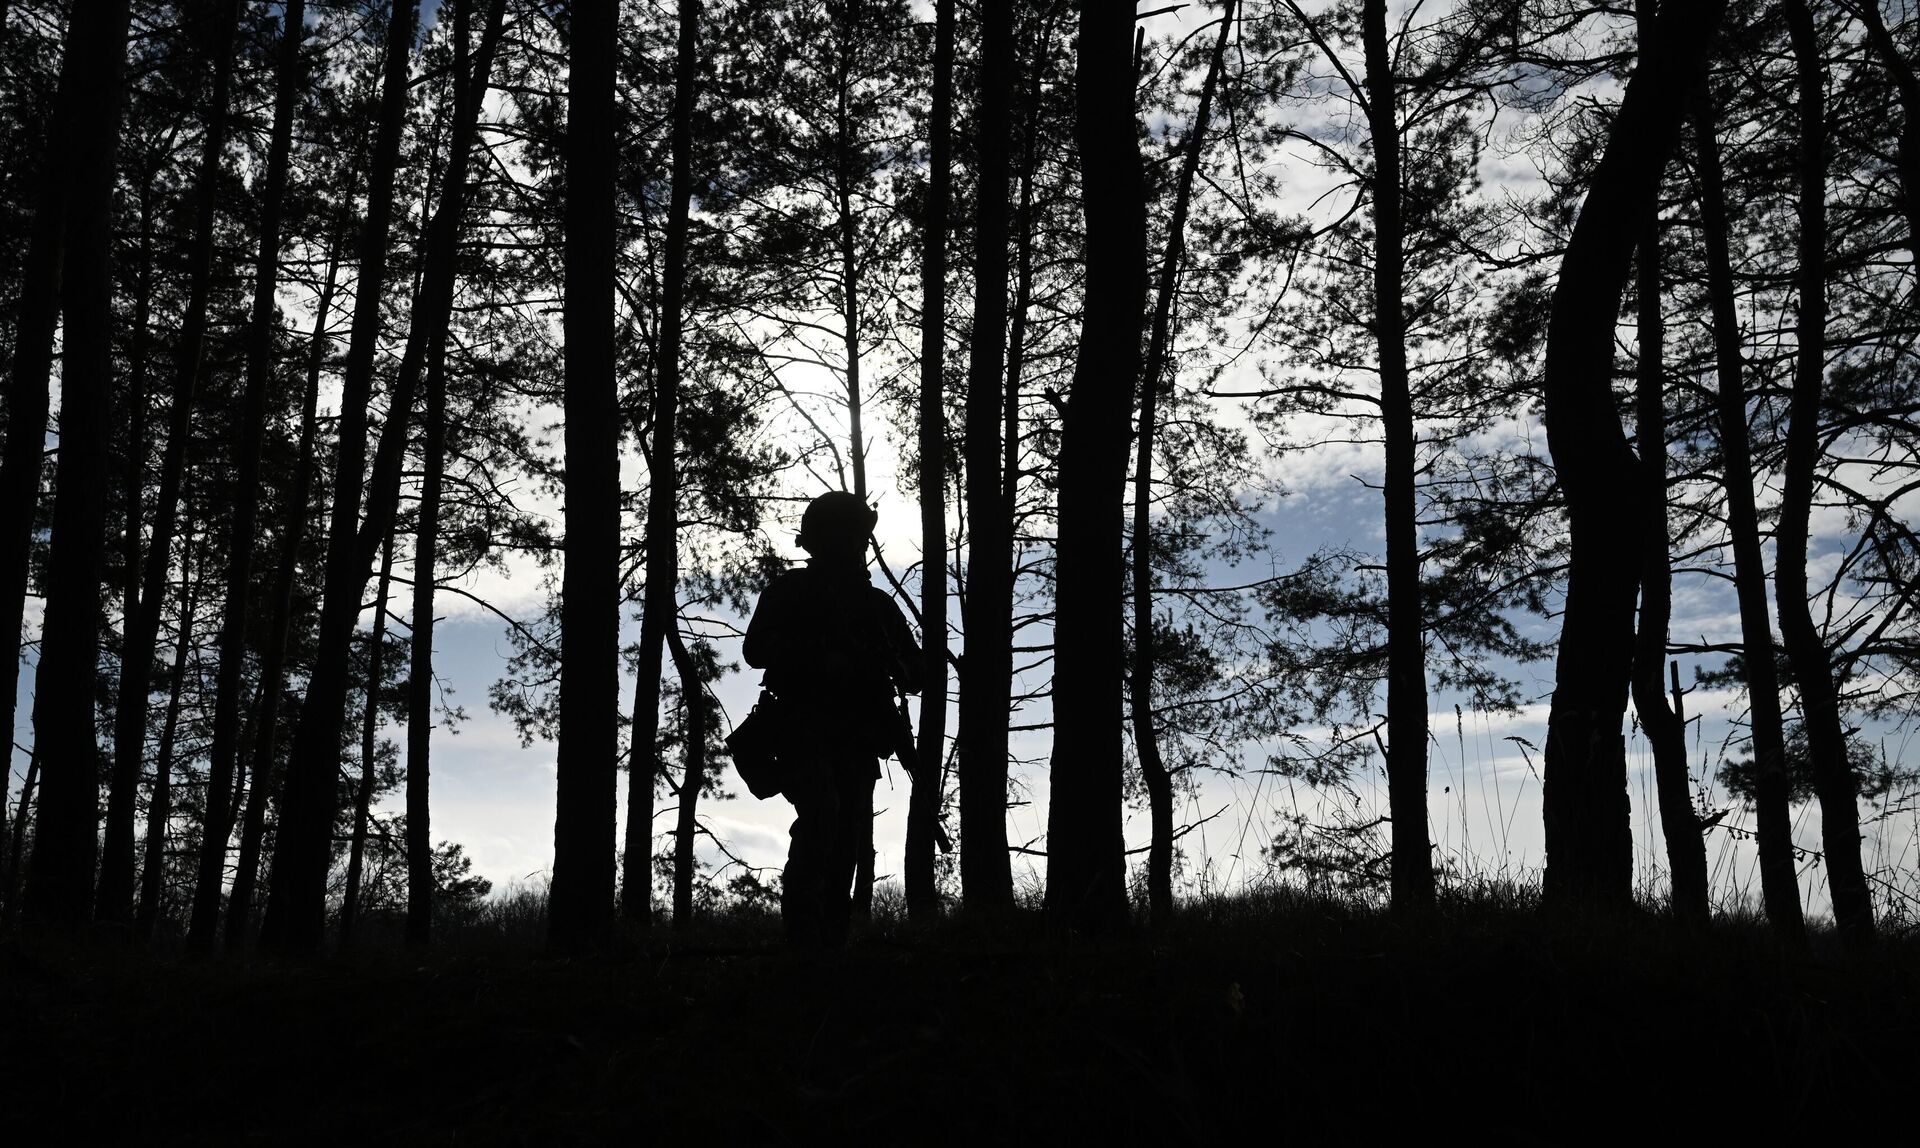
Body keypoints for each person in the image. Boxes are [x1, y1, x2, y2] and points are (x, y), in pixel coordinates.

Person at [743, 491, 922, 947]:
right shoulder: (791, 591)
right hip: (803, 729)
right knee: (822, 820)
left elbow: (915, 673)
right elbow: (756, 650)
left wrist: (895, 666)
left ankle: (830, 946)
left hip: (859, 736)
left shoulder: (876, 606)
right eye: (846, 535)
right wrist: (819, 656)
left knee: (845, 840)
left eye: (858, 536)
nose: (854, 545)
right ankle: (804, 942)